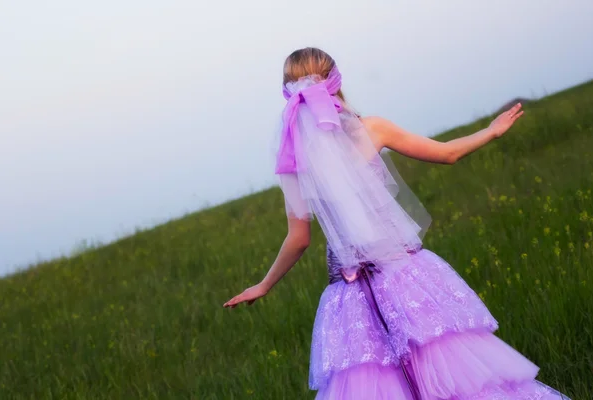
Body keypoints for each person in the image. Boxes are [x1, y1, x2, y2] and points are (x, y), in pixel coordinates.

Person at [224, 47, 569, 400]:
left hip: (350, 293)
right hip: (405, 273)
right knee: (448, 370)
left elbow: (299, 239)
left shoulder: (294, 159)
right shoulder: (372, 129)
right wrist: (490, 132)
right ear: (335, 81)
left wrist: (264, 285)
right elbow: (447, 153)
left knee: (376, 382)